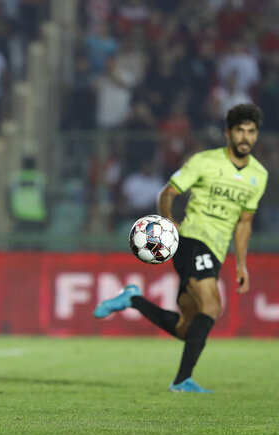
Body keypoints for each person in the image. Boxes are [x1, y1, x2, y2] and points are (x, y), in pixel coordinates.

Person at [93, 104, 268, 393]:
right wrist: (169, 222)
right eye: (240, 130)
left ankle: (133, 300)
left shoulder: (258, 175)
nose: (245, 137)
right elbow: (168, 192)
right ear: (228, 133)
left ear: (256, 134)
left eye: (250, 131)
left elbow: (244, 223)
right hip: (192, 239)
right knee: (212, 306)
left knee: (188, 328)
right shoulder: (204, 161)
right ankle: (181, 381)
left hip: (217, 250)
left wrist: (241, 264)